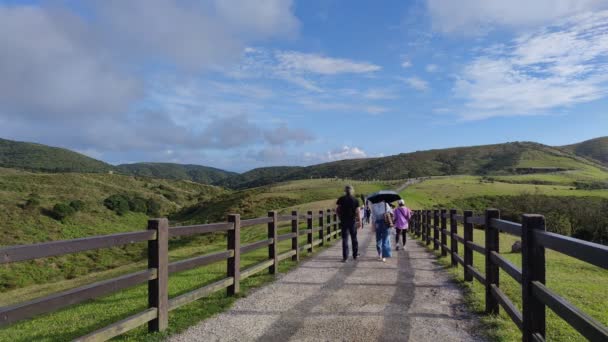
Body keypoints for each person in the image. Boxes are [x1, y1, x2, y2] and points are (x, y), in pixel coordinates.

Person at [336, 185, 361, 262]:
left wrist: (339, 217)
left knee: (345, 239)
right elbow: (358, 212)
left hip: (344, 221)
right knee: (354, 238)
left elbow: (337, 210)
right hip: (352, 221)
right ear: (352, 191)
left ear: (345, 191)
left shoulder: (341, 199)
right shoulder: (356, 200)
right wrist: (359, 221)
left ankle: (345, 257)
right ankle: (355, 255)